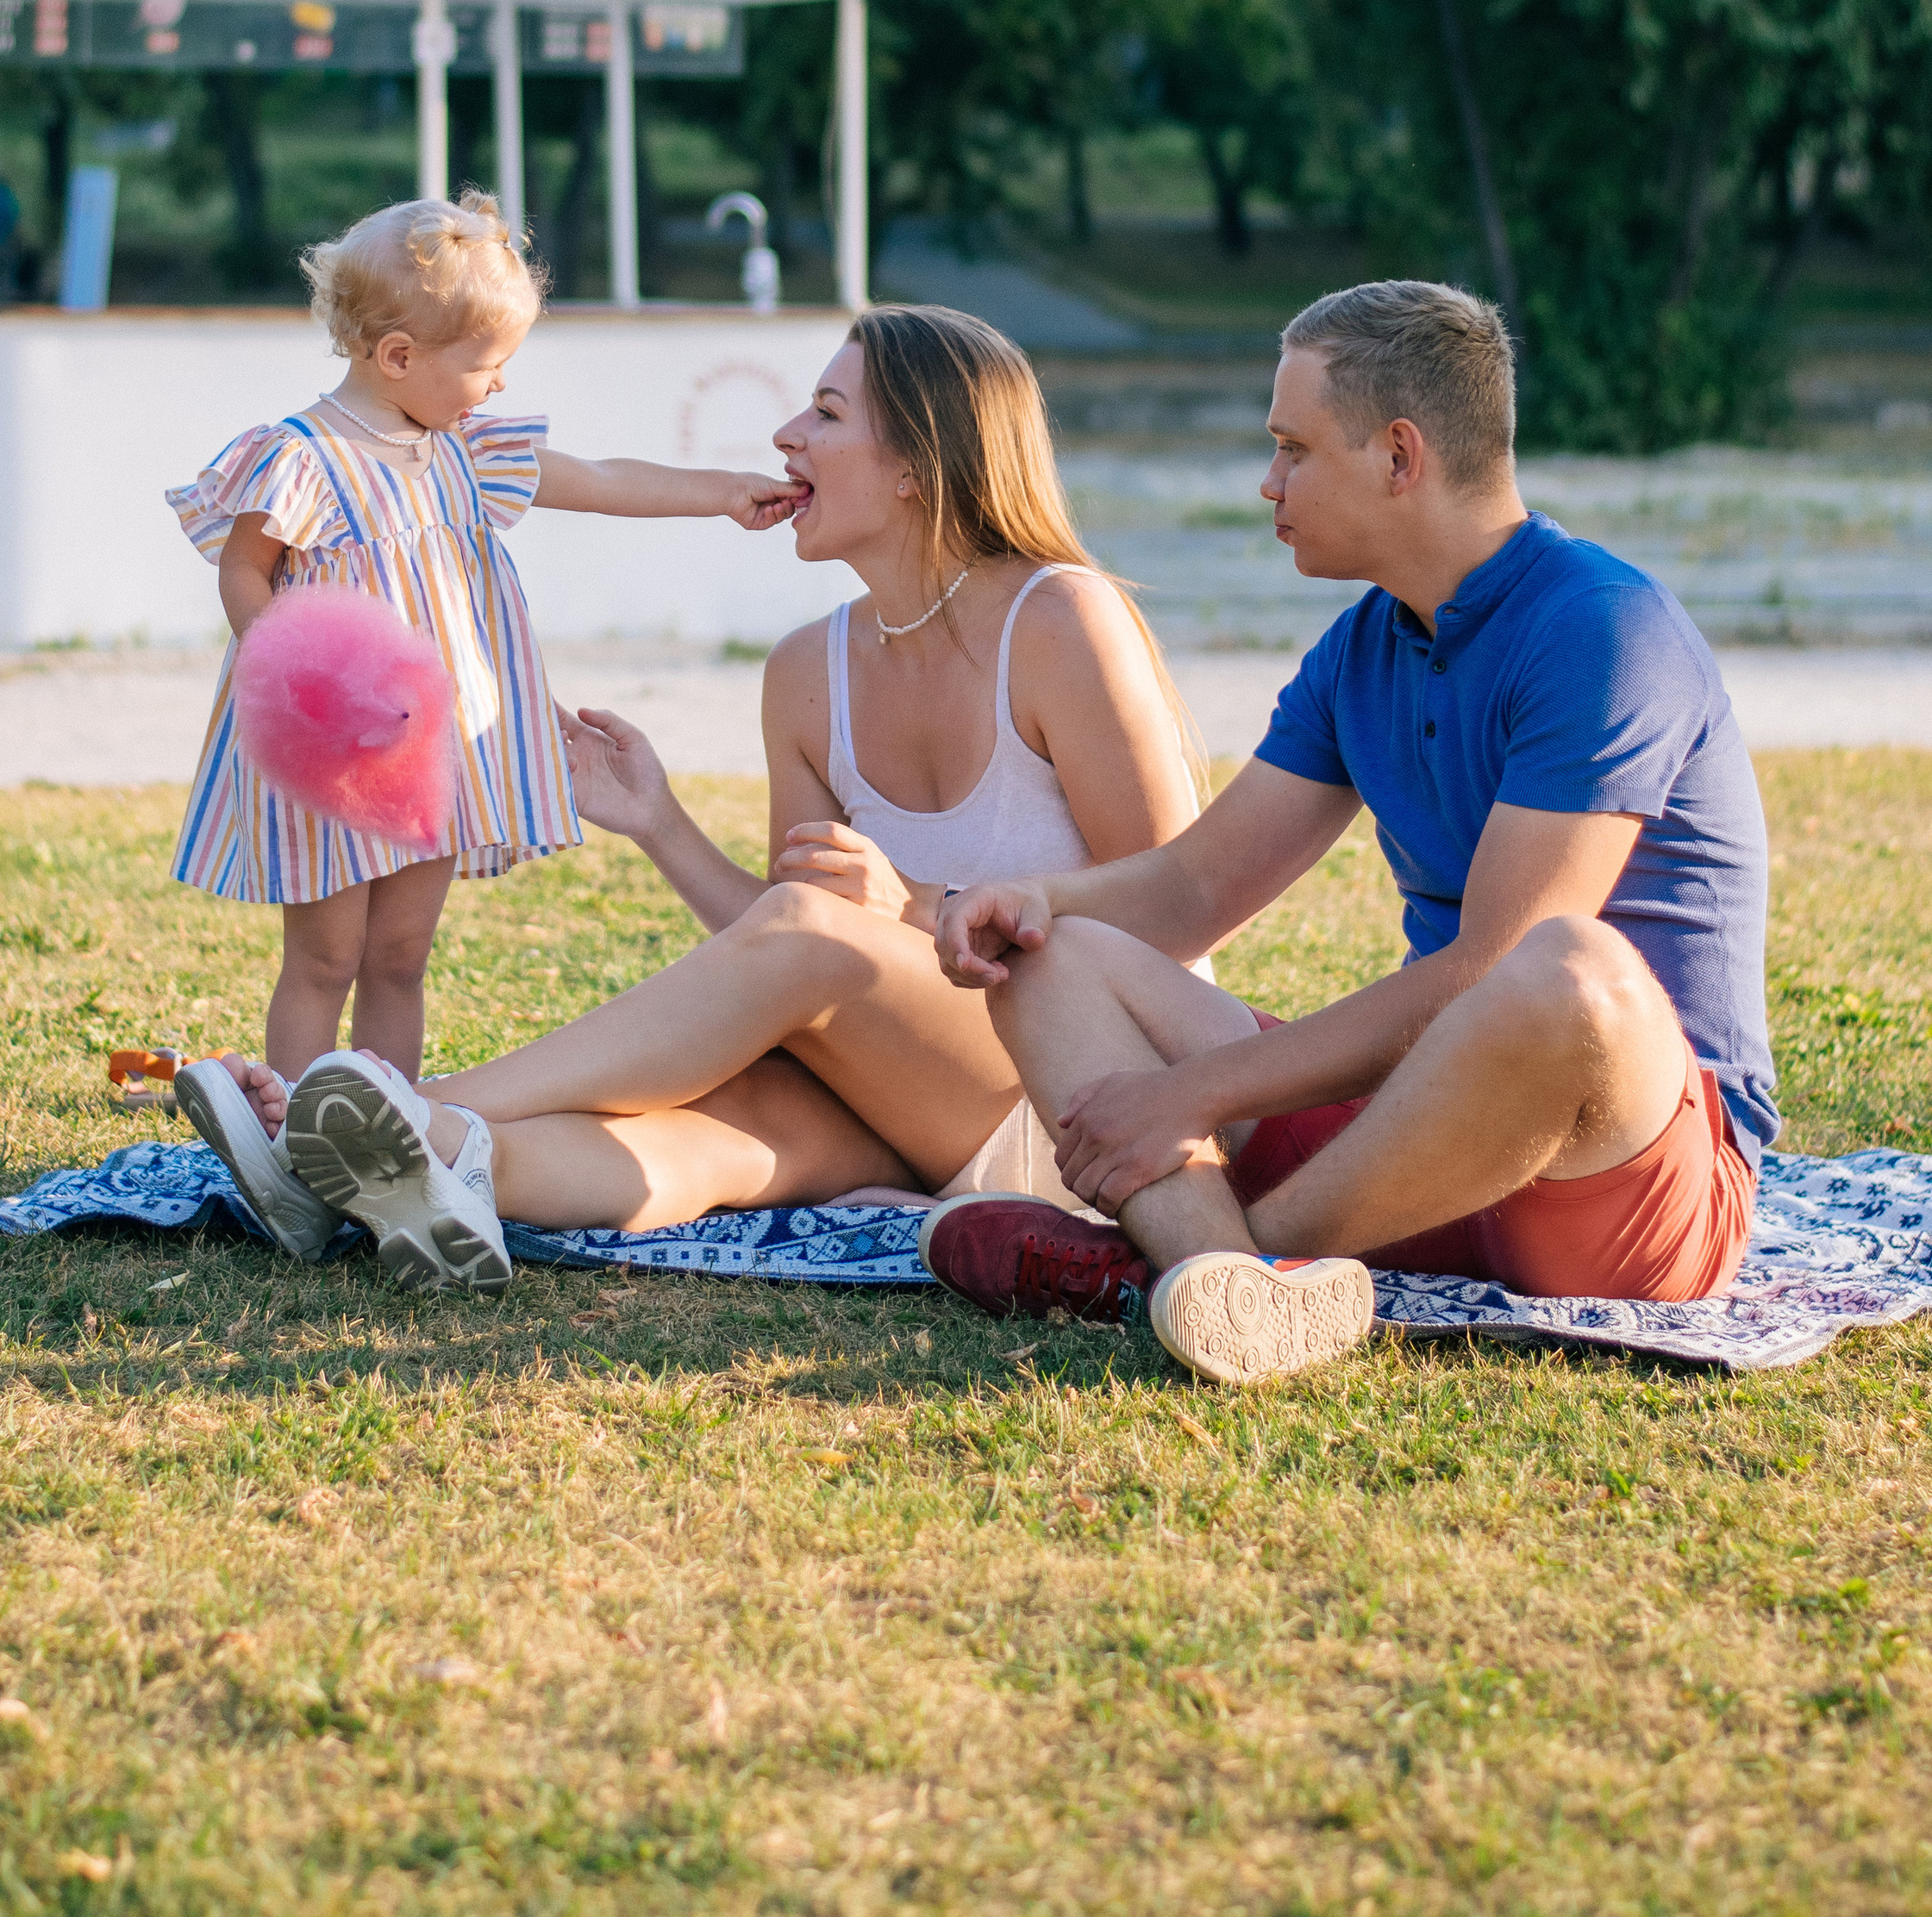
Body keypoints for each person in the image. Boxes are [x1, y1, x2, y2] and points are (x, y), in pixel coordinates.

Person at [184, 305, 1210, 1291]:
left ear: (915, 468)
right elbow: (782, 958)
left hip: (1080, 1099)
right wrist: (658, 823)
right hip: (896, 1097)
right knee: (696, 1146)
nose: (785, 434)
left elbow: (1179, 912)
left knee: (818, 928)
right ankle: (422, 1163)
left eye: (826, 414)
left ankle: (392, 1108)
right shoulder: (810, 670)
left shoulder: (1061, 618)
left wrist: (916, 908)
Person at [919, 279, 1776, 1389]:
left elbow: (1486, 973)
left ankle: (1171, 1265)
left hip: (1625, 1180)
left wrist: (1199, 1093)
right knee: (1050, 957)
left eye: (1292, 450)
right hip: (1421, 1149)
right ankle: (1221, 1283)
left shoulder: (1604, 631)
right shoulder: (1362, 647)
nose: (1267, 484)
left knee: (1564, 969)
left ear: (1399, 457)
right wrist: (1036, 900)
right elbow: (1194, 888)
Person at [169, 193, 797, 1243]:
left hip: (434, 752)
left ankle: (383, 1141)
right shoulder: (301, 459)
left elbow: (601, 480)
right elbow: (246, 577)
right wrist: (304, 678)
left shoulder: (466, 446)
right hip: (336, 747)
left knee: (402, 955)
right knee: (325, 955)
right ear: (400, 356)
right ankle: (289, 1155)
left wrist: (721, 489)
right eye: (486, 363)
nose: (499, 385)